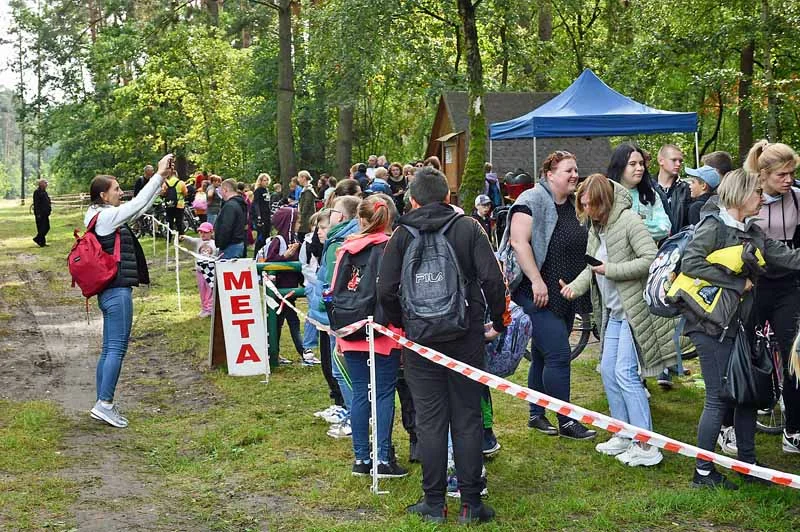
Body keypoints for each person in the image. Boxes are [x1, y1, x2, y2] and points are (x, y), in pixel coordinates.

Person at [378, 167, 506, 524]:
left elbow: (385, 289)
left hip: (420, 343)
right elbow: (493, 279)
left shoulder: (401, 235)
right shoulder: (469, 228)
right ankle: (470, 504)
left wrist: (403, 324)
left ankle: (434, 503)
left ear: (413, 200)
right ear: (448, 197)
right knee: (467, 419)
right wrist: (497, 321)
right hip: (465, 337)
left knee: (431, 421)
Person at [561, 174, 677, 467]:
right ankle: (623, 433)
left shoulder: (629, 221)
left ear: (604, 201)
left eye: (590, 205)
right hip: (613, 312)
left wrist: (611, 270)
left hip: (632, 311)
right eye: (583, 205)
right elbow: (593, 266)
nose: (586, 211)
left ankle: (647, 444)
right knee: (608, 370)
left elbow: (651, 258)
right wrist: (573, 287)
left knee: (625, 373)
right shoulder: (596, 226)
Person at [507, 150, 597, 441]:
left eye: (575, 170)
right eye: (568, 170)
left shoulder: (571, 205)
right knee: (559, 355)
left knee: (544, 356)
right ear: (549, 174)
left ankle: (536, 415)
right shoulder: (531, 200)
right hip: (535, 293)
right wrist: (536, 280)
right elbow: (518, 242)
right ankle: (567, 421)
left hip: (564, 295)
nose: (574, 175)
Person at [84, 153, 174, 427]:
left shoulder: (97, 215)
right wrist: (158, 174)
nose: (121, 192)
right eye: (116, 189)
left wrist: (158, 186)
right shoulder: (106, 217)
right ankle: (105, 403)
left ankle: (103, 400)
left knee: (108, 349)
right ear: (103, 195)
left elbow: (138, 208)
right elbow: (135, 205)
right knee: (116, 349)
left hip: (108, 291)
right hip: (117, 291)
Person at [333, 194, 408, 478]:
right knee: (384, 392)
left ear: (360, 219)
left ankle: (361, 458)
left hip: (350, 328)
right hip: (384, 330)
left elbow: (334, 289)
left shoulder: (345, 248)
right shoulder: (391, 247)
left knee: (360, 394)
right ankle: (383, 457)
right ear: (388, 218)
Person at [744, 140, 800, 454]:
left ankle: (793, 430)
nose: (788, 179)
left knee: (795, 359)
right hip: (753, 286)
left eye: (792, 173)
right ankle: (732, 425)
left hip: (787, 286)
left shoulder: (796, 198)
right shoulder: (748, 197)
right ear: (763, 174)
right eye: (782, 174)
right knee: (746, 355)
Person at [317, 195, 361, 438]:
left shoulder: (339, 242)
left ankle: (356, 419)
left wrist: (323, 303)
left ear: (341, 216)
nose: (329, 214)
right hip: (340, 315)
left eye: (333, 211)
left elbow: (332, 283)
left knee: (341, 370)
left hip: (338, 316)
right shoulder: (342, 237)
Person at [608, 142, 671, 242]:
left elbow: (665, 228)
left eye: (641, 163)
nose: (639, 168)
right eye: (633, 164)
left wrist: (631, 227)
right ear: (620, 166)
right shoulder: (607, 194)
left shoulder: (650, 194)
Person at [180, 222, 218, 317]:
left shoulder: (214, 244)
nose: (203, 234)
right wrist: (183, 238)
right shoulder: (198, 242)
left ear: (211, 232)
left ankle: (210, 308)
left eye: (205, 232)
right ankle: (204, 307)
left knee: (210, 290)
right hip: (200, 271)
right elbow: (190, 240)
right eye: (201, 232)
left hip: (210, 271)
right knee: (202, 290)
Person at [653, 144, 690, 233]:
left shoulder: (686, 189)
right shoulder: (648, 187)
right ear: (661, 161)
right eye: (674, 160)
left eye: (680, 161)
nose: (678, 164)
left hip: (678, 242)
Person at [213, 178, 247, 259]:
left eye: (221, 190)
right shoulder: (240, 204)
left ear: (225, 190)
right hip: (237, 243)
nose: (220, 192)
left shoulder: (230, 206)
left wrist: (221, 243)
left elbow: (226, 227)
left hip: (230, 246)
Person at [252, 173, 272, 257]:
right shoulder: (258, 190)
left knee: (267, 237)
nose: (266, 182)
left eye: (267, 180)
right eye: (264, 180)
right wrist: (258, 217)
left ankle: (264, 254)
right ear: (260, 181)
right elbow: (256, 204)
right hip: (261, 217)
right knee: (261, 237)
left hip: (267, 217)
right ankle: (256, 255)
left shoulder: (266, 191)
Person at [297, 170, 317, 242]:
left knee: (302, 239)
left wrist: (300, 218)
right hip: (305, 220)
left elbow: (306, 206)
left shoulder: (308, 191)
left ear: (304, 178)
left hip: (305, 221)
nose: (298, 180)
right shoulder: (305, 190)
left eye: (299, 177)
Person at [32, 178, 51, 247]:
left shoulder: (45, 192)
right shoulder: (37, 192)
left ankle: (41, 241)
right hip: (40, 213)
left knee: (46, 227)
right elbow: (36, 203)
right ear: (41, 184)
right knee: (42, 228)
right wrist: (38, 214)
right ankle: (38, 240)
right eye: (45, 183)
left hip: (45, 213)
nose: (46, 184)